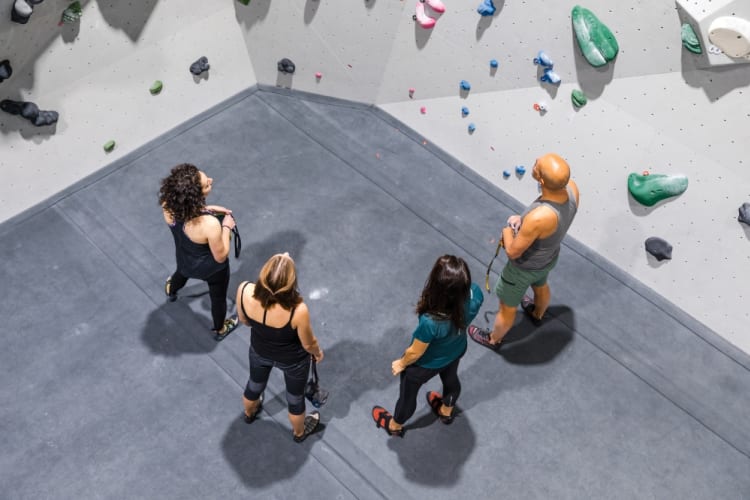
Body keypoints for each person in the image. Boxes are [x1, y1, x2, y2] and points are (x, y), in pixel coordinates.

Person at [468, 153, 579, 350]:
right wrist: (523, 221)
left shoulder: (539, 218)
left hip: (522, 269)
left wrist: (507, 231)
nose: (536, 161)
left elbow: (512, 252)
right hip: (548, 258)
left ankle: (494, 339)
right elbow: (545, 220)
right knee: (541, 285)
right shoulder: (573, 190)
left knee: (506, 308)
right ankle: (537, 314)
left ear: (542, 180)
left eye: (538, 165)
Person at [372, 255, 484, 437]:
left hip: (424, 366)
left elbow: (416, 352)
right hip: (455, 351)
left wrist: (402, 363)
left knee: (407, 397)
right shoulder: (475, 294)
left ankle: (395, 425)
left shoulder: (431, 322)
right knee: (451, 380)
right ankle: (446, 411)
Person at [236, 253, 324, 443]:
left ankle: (249, 413)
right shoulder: (298, 310)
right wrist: (317, 353)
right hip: (293, 361)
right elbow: (308, 343)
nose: (286, 254)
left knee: (254, 385)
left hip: (259, 351)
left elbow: (244, 321)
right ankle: (299, 433)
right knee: (294, 398)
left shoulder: (244, 290)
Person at [159, 163, 239, 340]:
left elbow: (187, 215)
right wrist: (226, 226)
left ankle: (171, 291)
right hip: (212, 270)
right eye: (207, 185)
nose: (211, 180)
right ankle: (220, 329)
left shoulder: (168, 206)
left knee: (180, 274)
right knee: (218, 298)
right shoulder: (209, 225)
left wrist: (206, 209)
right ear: (196, 196)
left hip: (184, 260)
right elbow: (221, 256)